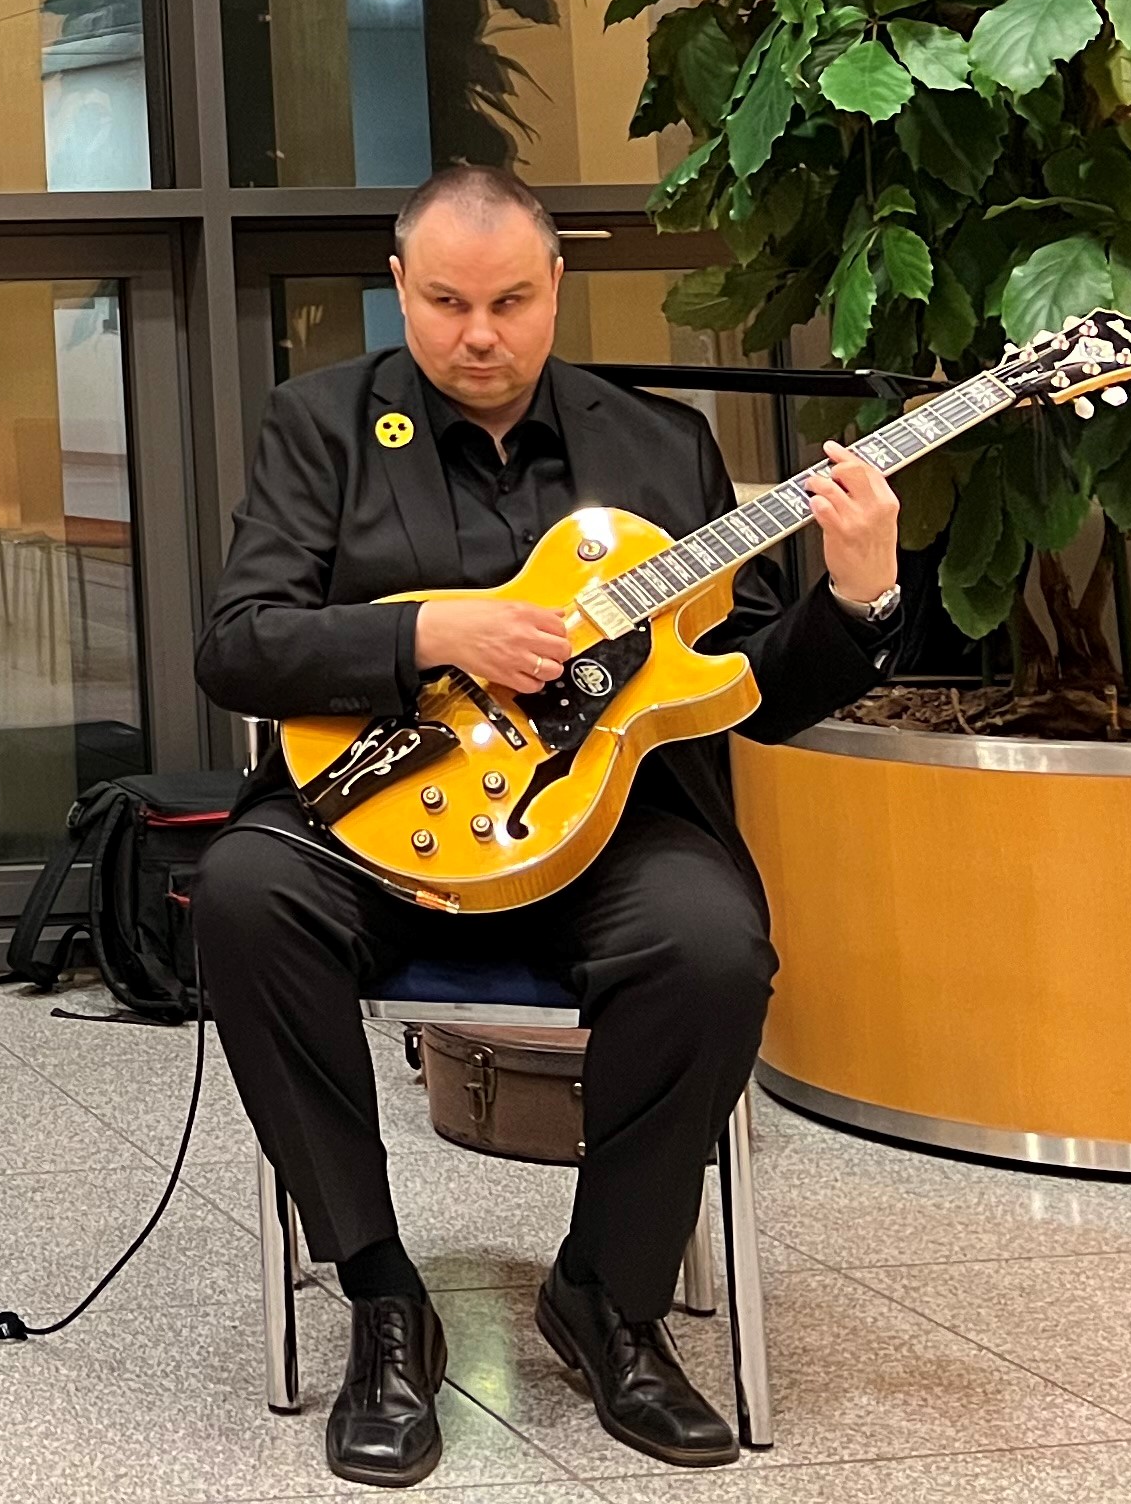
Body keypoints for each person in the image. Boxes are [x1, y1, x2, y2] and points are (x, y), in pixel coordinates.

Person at [191, 164, 902, 1487]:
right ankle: (381, 1296)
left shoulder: (662, 446)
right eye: (448, 301)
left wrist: (855, 603)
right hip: (373, 818)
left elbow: (749, 689)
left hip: (609, 828)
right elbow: (239, 646)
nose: (479, 333)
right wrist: (424, 631)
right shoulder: (321, 425)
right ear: (399, 287)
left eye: (511, 301)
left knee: (710, 946)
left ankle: (609, 1299)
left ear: (556, 286)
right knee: (240, 898)